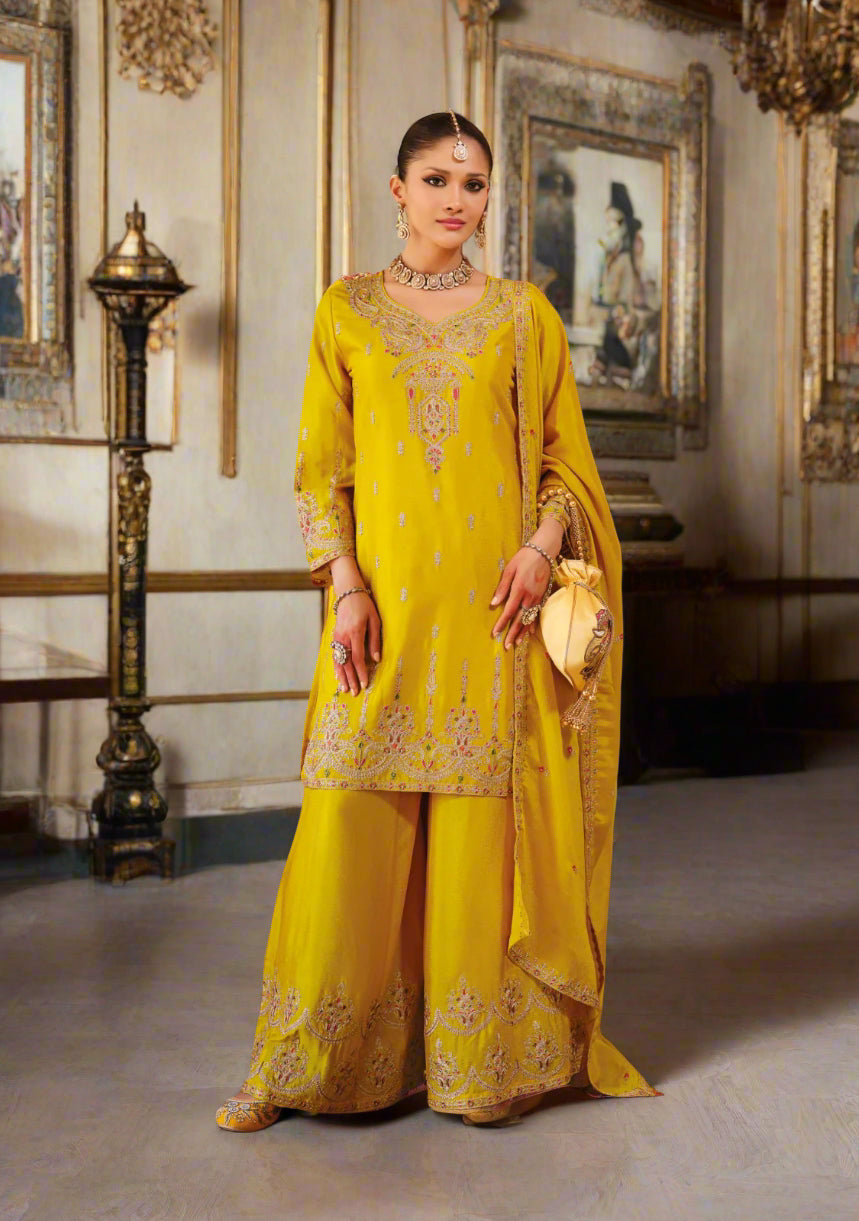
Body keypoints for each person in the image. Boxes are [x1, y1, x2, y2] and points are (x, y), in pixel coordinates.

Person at [216, 111, 656, 1132]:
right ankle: (296, 1066)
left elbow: (561, 464)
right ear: (397, 190)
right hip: (383, 612)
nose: (456, 198)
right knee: (347, 827)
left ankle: (476, 1064)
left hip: (492, 615)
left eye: (473, 182)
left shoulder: (521, 316)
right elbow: (319, 470)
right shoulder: (349, 312)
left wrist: (542, 550)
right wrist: (346, 588)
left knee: (474, 833)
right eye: (436, 178)